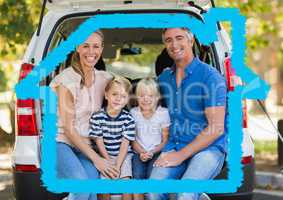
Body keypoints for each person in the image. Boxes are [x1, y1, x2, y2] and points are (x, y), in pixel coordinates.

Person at [148, 28, 227, 200]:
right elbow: (144, 99)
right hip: (175, 144)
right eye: (168, 40)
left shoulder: (210, 77)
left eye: (179, 38)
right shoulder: (165, 78)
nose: (174, 44)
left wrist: (181, 155)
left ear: (191, 41)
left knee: (185, 193)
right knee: (152, 190)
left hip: (208, 148)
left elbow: (216, 128)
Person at [50, 30, 119, 200]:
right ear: (77, 48)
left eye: (96, 46)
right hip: (60, 143)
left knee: (91, 188)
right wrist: (97, 159)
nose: (91, 52)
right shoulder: (65, 81)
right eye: (86, 46)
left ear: (101, 49)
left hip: (85, 145)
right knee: (81, 187)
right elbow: (68, 128)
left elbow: (124, 89)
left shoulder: (104, 78)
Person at [89, 76, 136, 200]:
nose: (118, 99)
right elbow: (99, 141)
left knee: (125, 183)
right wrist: (108, 162)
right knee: (105, 185)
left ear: (127, 100)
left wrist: (118, 166)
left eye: (123, 96)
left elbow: (125, 144)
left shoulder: (128, 119)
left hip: (123, 156)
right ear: (106, 95)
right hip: (105, 155)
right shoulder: (97, 117)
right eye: (114, 94)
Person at [130, 78, 170, 200]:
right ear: (137, 97)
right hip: (139, 152)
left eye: (150, 96)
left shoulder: (163, 113)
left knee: (151, 176)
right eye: (142, 96)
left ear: (157, 97)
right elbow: (132, 139)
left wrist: (152, 152)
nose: (146, 99)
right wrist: (142, 152)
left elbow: (165, 140)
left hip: (157, 152)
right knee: (137, 176)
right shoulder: (134, 113)